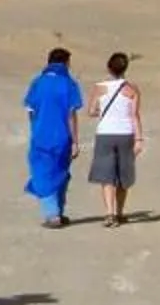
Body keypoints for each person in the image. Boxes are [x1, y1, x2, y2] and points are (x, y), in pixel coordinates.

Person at [21, 47, 86, 228]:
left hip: (41, 137)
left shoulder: (37, 83)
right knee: (60, 172)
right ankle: (58, 211)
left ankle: (52, 214)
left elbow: (30, 111)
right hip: (63, 138)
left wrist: (35, 129)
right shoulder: (69, 84)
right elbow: (71, 114)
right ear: (66, 63)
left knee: (42, 173)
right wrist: (75, 140)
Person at [87, 51, 142, 227]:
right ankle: (119, 211)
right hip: (126, 133)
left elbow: (91, 111)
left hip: (105, 133)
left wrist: (101, 112)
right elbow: (135, 115)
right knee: (123, 174)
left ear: (109, 68)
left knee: (106, 175)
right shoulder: (131, 89)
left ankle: (109, 213)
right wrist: (139, 139)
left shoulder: (99, 87)